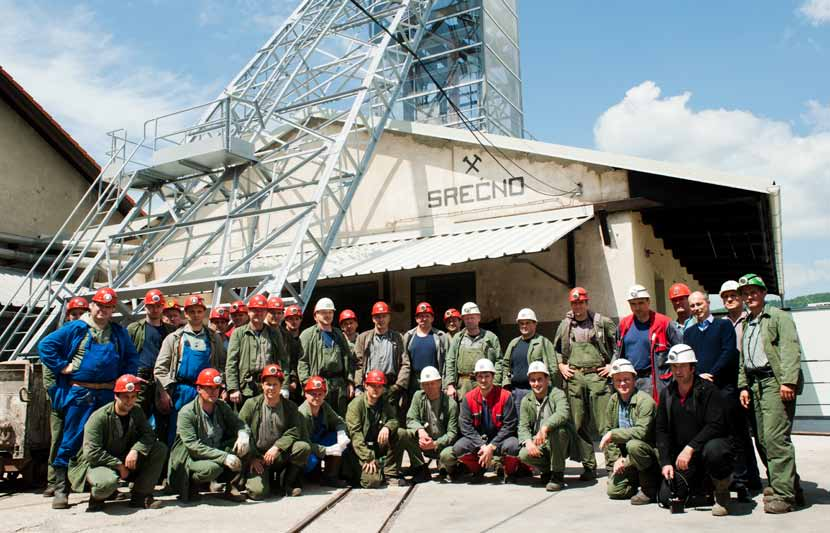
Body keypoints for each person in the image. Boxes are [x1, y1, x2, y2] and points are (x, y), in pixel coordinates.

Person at [38, 287, 138, 510]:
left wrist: (125, 377)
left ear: (113, 310)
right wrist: (62, 366)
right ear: (92, 306)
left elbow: (132, 357)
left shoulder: (119, 333)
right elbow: (45, 346)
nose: (104, 310)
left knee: (107, 441)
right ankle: (61, 489)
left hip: (107, 394)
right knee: (71, 439)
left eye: (109, 307)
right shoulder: (76, 328)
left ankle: (105, 488)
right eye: (100, 305)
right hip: (81, 394)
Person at [737, 273, 804, 513]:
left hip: (775, 383)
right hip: (755, 385)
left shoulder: (778, 317)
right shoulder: (748, 322)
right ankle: (787, 484)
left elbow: (789, 349)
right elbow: (744, 358)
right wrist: (743, 385)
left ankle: (785, 497)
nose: (749, 296)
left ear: (764, 293)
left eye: (754, 291)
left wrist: (788, 382)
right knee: (763, 440)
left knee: (776, 439)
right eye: (745, 293)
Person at [684, 291, 757, 498]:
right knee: (706, 437)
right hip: (701, 392)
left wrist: (712, 374)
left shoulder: (723, 326)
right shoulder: (689, 333)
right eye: (693, 305)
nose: (696, 308)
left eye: (700, 304)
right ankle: (711, 482)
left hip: (724, 390)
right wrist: (698, 376)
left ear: (708, 303)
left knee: (735, 436)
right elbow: (689, 360)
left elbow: (729, 353)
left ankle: (741, 481)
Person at [68, 374, 167, 511]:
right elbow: (92, 452)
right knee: (106, 484)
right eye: (126, 396)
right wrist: (119, 465)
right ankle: (97, 498)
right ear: (116, 396)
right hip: (100, 463)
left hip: (126, 457)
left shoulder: (136, 412)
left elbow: (148, 435)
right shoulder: (99, 418)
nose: (129, 401)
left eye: (133, 397)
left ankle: (141, 496)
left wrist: (136, 450)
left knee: (159, 448)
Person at [656, 344, 733, 517]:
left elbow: (716, 425)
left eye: (682, 366)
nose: (678, 371)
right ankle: (702, 492)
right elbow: (661, 430)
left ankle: (721, 494)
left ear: (692, 367)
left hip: (706, 452)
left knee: (716, 450)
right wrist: (666, 462)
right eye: (674, 366)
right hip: (684, 460)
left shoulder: (708, 390)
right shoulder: (667, 394)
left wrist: (690, 447)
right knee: (665, 497)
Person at [553, 287, 617, 480]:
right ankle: (589, 466)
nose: (578, 306)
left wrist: (612, 366)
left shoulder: (601, 322)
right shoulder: (565, 326)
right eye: (574, 303)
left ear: (587, 303)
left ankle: (613, 465)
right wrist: (561, 366)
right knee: (578, 423)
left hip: (598, 376)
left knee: (605, 423)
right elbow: (555, 350)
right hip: (575, 377)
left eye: (581, 302)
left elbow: (618, 346)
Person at [168, 368, 251, 502]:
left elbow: (239, 423)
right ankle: (192, 485)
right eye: (208, 388)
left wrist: (243, 435)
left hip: (213, 450)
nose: (213, 392)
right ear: (199, 389)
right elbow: (193, 446)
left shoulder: (221, 406)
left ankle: (232, 487)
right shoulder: (187, 412)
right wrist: (224, 457)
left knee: (244, 445)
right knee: (213, 468)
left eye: (216, 388)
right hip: (190, 459)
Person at [155, 295, 227, 446]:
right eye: (191, 311)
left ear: (204, 313)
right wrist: (165, 391)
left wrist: (220, 386)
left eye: (199, 311)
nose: (195, 315)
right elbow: (160, 369)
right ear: (185, 314)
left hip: (208, 392)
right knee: (178, 432)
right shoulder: (174, 338)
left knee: (207, 431)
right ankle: (176, 465)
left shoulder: (214, 338)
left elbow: (222, 364)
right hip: (182, 392)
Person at [239, 364, 310, 499]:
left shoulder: (290, 407)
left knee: (303, 447)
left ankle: (287, 483)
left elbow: (294, 430)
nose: (271, 388)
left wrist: (277, 447)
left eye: (275, 384)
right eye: (268, 384)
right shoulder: (251, 404)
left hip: (279, 455)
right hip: (259, 457)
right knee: (257, 493)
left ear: (281, 385)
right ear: (262, 385)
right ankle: (262, 480)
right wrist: (252, 457)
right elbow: (241, 429)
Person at [42, 296, 89, 497]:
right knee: (59, 439)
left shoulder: (89, 337)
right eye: (74, 314)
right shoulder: (60, 338)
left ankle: (77, 479)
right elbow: (49, 374)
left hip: (81, 398)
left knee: (80, 440)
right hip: (62, 399)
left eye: (82, 314)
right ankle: (53, 481)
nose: (78, 317)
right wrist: (57, 397)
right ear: (69, 316)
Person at [449, 359, 521, 483]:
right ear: (475, 377)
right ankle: (478, 469)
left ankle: (508, 471)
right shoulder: (468, 398)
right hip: (479, 441)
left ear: (493, 376)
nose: (483, 380)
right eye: (480, 376)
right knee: (459, 448)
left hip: (500, 440)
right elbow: (465, 426)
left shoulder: (505, 396)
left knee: (513, 446)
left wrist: (492, 446)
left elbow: (510, 425)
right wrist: (482, 445)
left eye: (487, 376)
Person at [599, 359, 659, 505]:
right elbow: (607, 429)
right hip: (627, 458)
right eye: (618, 380)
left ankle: (650, 487)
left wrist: (614, 435)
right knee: (614, 491)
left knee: (633, 445)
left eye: (626, 379)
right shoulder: (613, 400)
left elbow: (642, 432)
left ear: (634, 379)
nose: (622, 384)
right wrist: (616, 460)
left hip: (648, 453)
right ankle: (636, 478)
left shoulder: (645, 401)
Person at [615, 284, 681, 401]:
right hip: (629, 380)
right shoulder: (624, 325)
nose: (637, 307)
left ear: (648, 301)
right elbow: (618, 351)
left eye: (640, 303)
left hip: (654, 379)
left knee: (654, 414)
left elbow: (681, 350)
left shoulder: (664, 323)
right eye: (633, 304)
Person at [346, 369, 408, 488]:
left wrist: (387, 427)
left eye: (379, 386)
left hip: (377, 447)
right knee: (372, 482)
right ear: (365, 386)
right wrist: (368, 457)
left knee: (401, 433)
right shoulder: (355, 405)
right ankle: (369, 471)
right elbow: (355, 436)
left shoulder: (384, 402)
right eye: (372, 385)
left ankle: (390, 473)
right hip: (360, 451)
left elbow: (394, 420)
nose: (376, 389)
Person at [226, 294, 288, 409]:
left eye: (262, 310)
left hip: (269, 386)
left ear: (266, 313)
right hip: (246, 388)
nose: (258, 313)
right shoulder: (239, 333)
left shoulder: (274, 333)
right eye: (254, 310)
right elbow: (231, 362)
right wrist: (233, 388)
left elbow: (283, 360)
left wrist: (284, 386)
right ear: (248, 312)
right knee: (246, 422)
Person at [517, 361, 571, 491]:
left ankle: (557, 476)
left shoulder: (558, 394)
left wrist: (545, 427)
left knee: (559, 431)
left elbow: (563, 413)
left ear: (547, 379)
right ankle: (547, 471)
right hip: (540, 443)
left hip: (560, 442)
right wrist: (528, 442)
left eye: (540, 379)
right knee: (523, 454)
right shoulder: (526, 400)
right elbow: (523, 426)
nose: (536, 384)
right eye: (533, 380)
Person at [299, 298, 356, 417]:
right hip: (318, 386)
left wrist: (350, 381)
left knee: (340, 418)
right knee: (320, 419)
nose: (327, 315)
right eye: (324, 312)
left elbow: (348, 358)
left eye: (330, 312)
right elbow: (302, 361)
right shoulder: (307, 335)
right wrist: (307, 384)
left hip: (339, 385)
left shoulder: (339, 334)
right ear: (316, 315)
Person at [401, 366, 459, 483]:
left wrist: (435, 444)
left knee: (447, 456)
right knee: (405, 434)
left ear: (439, 383)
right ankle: (420, 468)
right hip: (424, 441)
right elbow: (410, 418)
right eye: (426, 384)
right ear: (421, 385)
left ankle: (451, 468)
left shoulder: (451, 404)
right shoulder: (418, 396)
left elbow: (452, 433)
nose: (430, 387)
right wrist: (420, 430)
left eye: (433, 383)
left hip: (442, 445)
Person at [354, 301, 410, 419]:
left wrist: (398, 386)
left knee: (391, 420)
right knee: (370, 419)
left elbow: (405, 363)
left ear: (389, 317)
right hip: (369, 387)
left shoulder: (398, 338)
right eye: (378, 316)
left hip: (390, 386)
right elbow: (358, 364)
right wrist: (358, 386)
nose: (381, 319)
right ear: (373, 318)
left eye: (384, 316)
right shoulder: (363, 338)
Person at [127, 290, 175, 426]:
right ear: (145, 306)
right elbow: (125, 355)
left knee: (164, 418)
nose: (155, 310)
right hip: (141, 378)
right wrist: (131, 376)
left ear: (162, 307)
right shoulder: (134, 329)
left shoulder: (171, 330)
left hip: (164, 378)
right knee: (137, 418)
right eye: (151, 306)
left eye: (158, 306)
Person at [498, 308, 557, 416]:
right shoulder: (514, 343)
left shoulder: (543, 342)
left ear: (535, 324)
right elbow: (505, 364)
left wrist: (549, 389)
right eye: (521, 323)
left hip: (536, 391)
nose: (524, 326)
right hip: (516, 392)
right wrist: (506, 383)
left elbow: (553, 368)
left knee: (538, 423)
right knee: (519, 424)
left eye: (527, 323)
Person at [298, 376, 351, 487]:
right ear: (306, 394)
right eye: (313, 394)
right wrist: (326, 450)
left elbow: (338, 421)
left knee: (336, 438)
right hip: (308, 447)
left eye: (320, 394)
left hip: (318, 442)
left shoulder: (324, 407)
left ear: (324, 395)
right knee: (311, 462)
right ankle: (301, 476)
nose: (317, 397)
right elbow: (303, 443)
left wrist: (341, 434)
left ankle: (330, 477)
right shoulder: (302, 414)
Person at [444, 302, 501, 400]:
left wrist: (495, 383)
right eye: (466, 318)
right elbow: (450, 361)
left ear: (479, 318)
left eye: (472, 317)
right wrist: (450, 385)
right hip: (463, 386)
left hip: (485, 384)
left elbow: (499, 361)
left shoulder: (490, 338)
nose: (469, 320)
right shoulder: (458, 338)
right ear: (463, 320)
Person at [402, 302, 450, 398]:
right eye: (420, 316)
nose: (423, 319)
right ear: (416, 319)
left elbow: (447, 362)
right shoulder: (408, 336)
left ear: (432, 318)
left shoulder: (441, 336)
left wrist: (446, 384)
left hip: (434, 381)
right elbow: (404, 360)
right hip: (414, 382)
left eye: (427, 316)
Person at [282, 304, 305, 403]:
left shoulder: (304, 338)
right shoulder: (281, 338)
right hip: (287, 382)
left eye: (297, 319)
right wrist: (291, 380)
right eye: (291, 319)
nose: (294, 322)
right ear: (286, 320)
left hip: (302, 382)